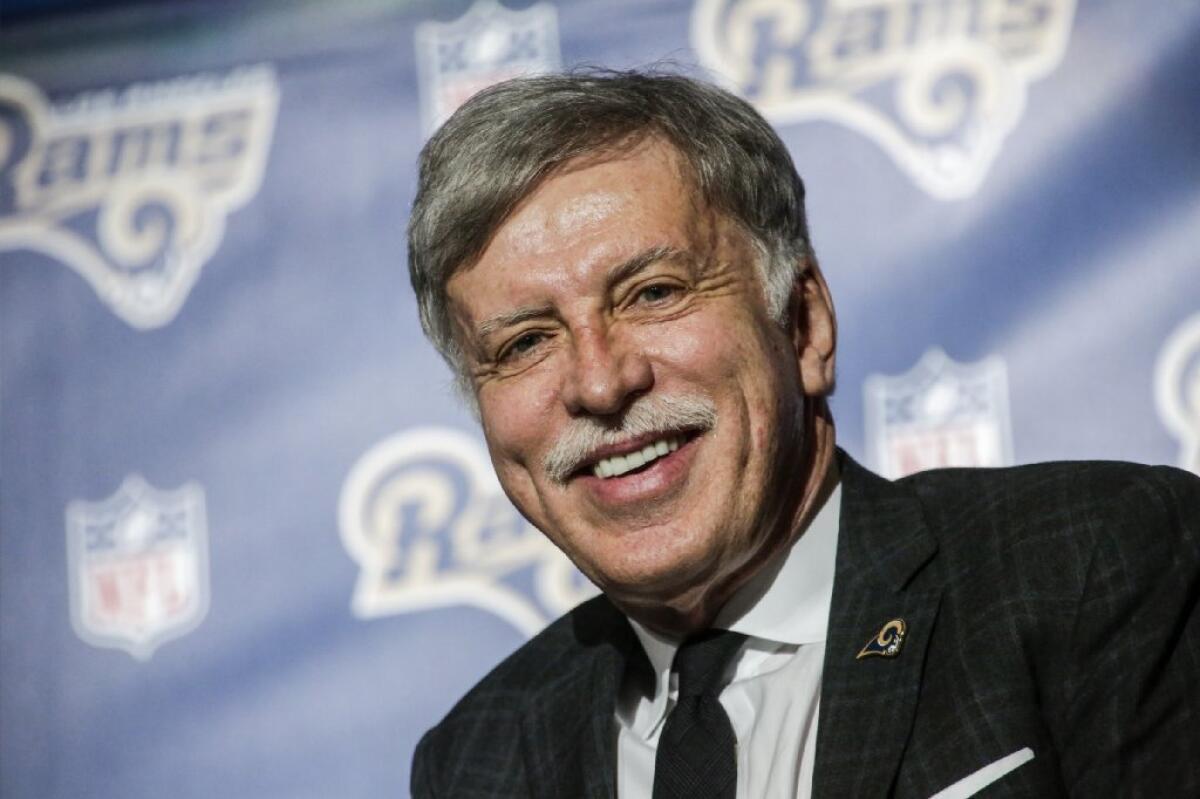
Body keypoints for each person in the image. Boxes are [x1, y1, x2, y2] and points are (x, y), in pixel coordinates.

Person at [405, 69, 1200, 798]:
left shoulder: (1093, 561)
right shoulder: (479, 758)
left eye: (652, 293)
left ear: (804, 324)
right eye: (525, 343)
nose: (601, 383)